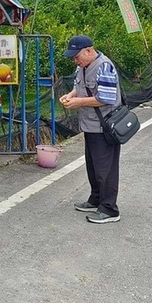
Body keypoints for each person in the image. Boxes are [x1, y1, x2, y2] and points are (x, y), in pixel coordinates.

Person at [59, 35, 122, 224]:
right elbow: (78, 88)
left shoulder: (104, 66)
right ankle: (96, 199)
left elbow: (106, 97)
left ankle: (110, 209)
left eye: (77, 56)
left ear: (88, 50)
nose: (75, 60)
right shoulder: (82, 67)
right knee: (93, 166)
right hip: (90, 126)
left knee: (106, 170)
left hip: (105, 127)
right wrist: (70, 96)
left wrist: (78, 102)